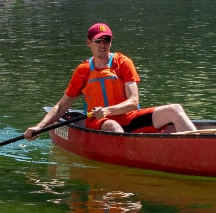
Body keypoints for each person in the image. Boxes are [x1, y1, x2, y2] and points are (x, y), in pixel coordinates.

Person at [27, 22, 196, 139]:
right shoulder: (83, 70)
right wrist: (39, 127)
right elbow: (61, 106)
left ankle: (201, 147)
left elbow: (133, 101)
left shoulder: (123, 62)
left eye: (107, 40)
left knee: (175, 109)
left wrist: (108, 110)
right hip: (98, 122)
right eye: (98, 41)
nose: (103, 45)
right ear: (89, 43)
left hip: (129, 117)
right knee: (113, 126)